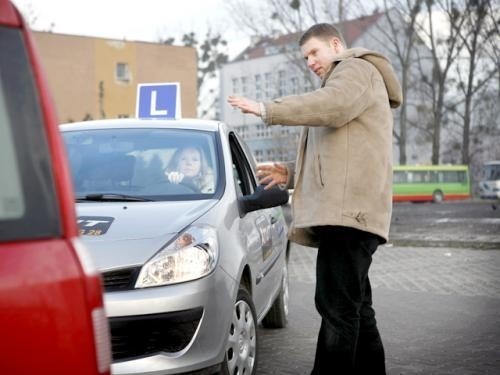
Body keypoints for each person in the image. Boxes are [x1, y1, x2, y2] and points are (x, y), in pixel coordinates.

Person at [228, 23, 402, 375]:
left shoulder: (356, 69)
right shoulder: (348, 83)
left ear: (336, 44)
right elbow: (341, 155)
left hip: (348, 216)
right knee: (355, 308)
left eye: (314, 52)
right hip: (351, 214)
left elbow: (332, 106)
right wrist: (290, 173)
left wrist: (266, 109)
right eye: (305, 56)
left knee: (336, 308)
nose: (309, 61)